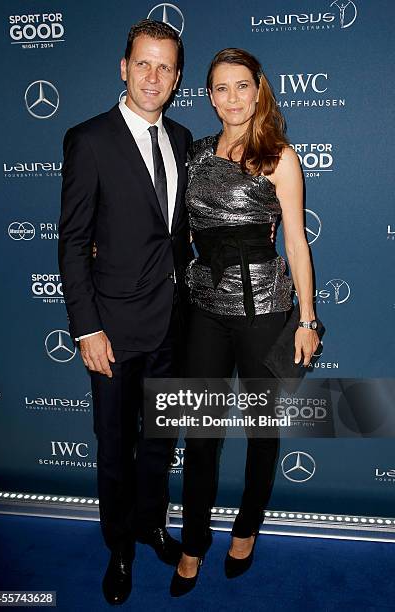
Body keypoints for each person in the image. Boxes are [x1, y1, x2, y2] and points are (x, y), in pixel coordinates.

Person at [170, 48, 319, 596]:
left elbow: (297, 243)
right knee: (201, 435)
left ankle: (247, 526)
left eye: (239, 86)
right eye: (218, 88)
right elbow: (177, 232)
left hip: (266, 313)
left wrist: (307, 319)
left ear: (258, 89)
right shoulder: (197, 153)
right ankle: (192, 542)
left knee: (262, 431)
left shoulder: (278, 156)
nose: (229, 98)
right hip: (204, 311)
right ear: (207, 95)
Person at [58, 19, 193, 605]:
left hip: (173, 326)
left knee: (161, 442)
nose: (153, 76)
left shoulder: (184, 139)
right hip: (110, 329)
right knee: (114, 447)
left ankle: (151, 524)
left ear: (177, 78)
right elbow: (71, 242)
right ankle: (119, 545)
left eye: (165, 66)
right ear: (123, 67)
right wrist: (86, 326)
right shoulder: (88, 139)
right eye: (143, 63)